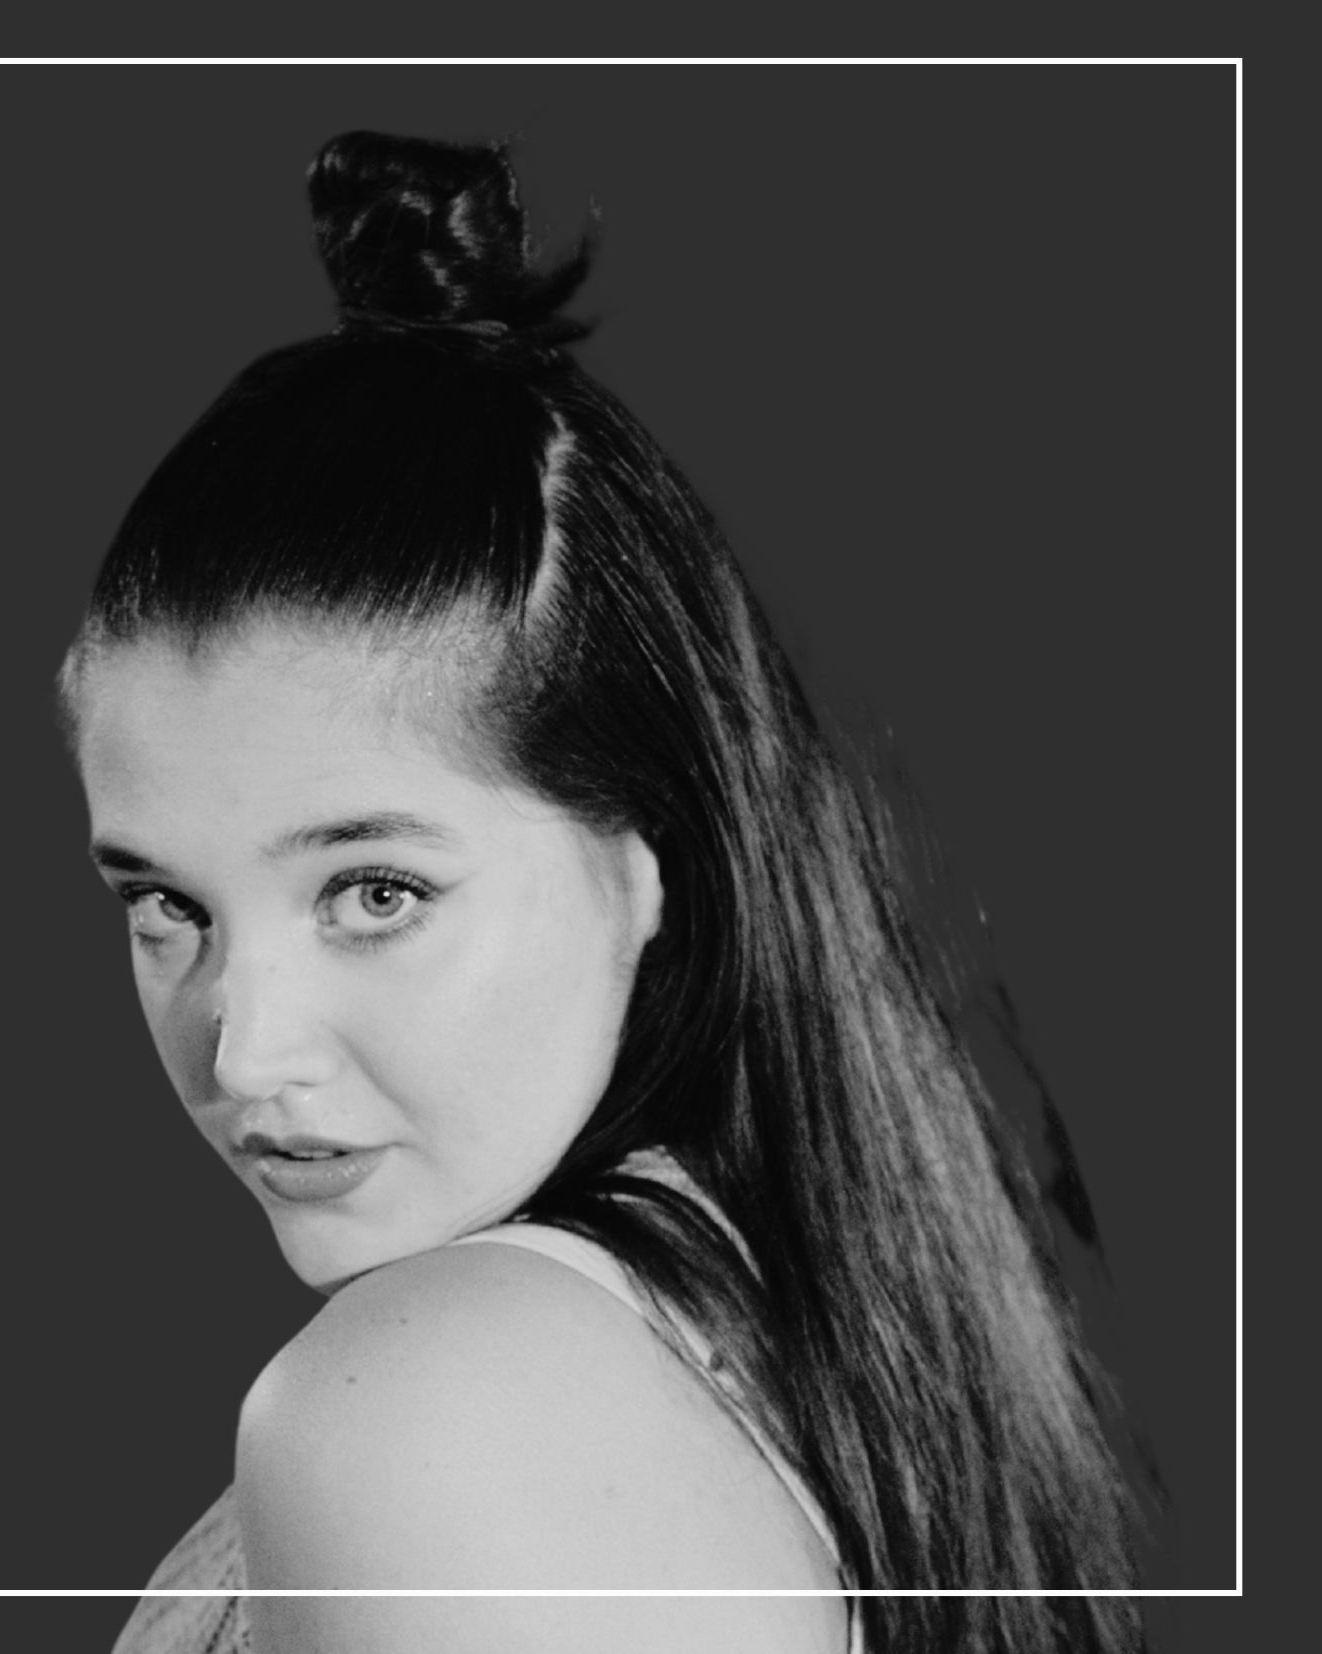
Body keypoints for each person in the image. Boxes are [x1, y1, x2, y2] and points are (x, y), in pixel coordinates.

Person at [58, 130, 1147, 1654]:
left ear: (653, 867)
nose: (243, 1050)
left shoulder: (431, 1401)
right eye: (169, 907)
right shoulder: (809, 1338)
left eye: (374, 892)